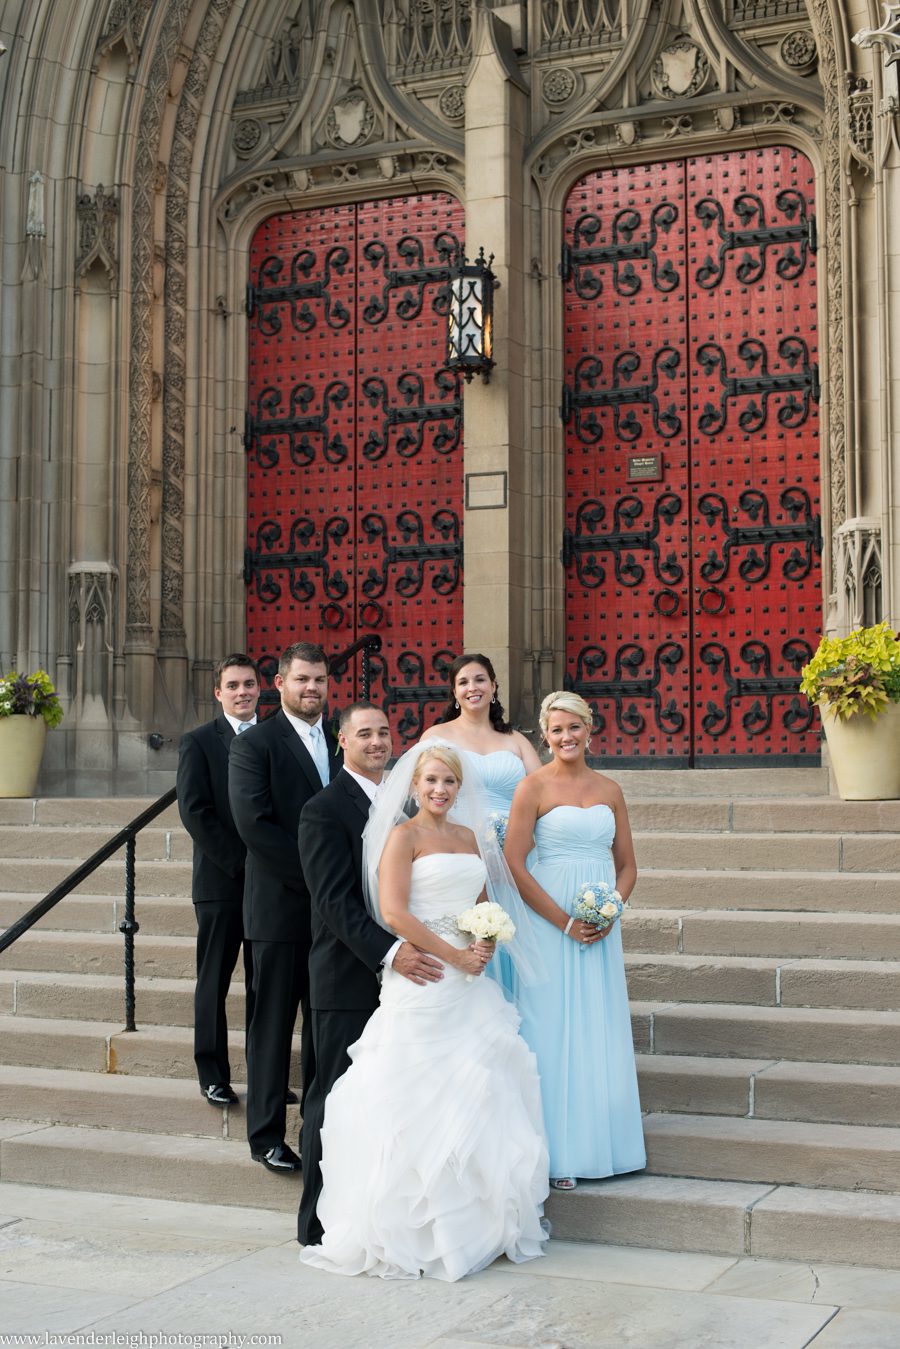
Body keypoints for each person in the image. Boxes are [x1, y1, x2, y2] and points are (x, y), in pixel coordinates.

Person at [299, 744, 549, 1282]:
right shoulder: (402, 837)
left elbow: (484, 900)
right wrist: (451, 953)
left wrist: (483, 942)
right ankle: (413, 1227)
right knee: (412, 1093)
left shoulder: (469, 838)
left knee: (478, 1089)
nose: (440, 789)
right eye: (431, 780)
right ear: (414, 787)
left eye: (449, 782)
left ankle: (475, 1226)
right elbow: (392, 910)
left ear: (460, 788)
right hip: (425, 976)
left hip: (469, 983)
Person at [296, 702, 445, 1247]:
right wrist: (391, 953)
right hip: (347, 977)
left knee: (384, 1101)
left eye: (384, 732)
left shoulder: (407, 805)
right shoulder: (323, 809)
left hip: (408, 985)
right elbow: (334, 902)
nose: (378, 741)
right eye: (365, 733)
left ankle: (373, 1215)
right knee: (332, 1099)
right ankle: (315, 1222)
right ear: (342, 741)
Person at [505, 690, 646, 1191]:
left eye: (574, 728)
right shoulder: (533, 788)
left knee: (596, 1023)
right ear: (544, 735)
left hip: (599, 924)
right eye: (556, 729)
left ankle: (605, 1145)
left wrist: (612, 909)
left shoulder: (610, 789)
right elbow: (514, 864)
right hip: (549, 921)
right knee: (553, 1026)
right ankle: (556, 1152)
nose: (566, 737)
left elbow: (628, 865)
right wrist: (563, 921)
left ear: (590, 729)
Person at [228, 640, 337, 1175]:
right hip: (279, 908)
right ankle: (265, 1133)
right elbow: (254, 826)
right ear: (280, 683)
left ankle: (319, 1129)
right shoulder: (257, 744)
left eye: (318, 679)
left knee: (324, 1024)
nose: (311, 688)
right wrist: (319, 878)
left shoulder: (342, 740)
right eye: (301, 680)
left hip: (334, 915)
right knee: (272, 1024)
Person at [421, 653, 541, 995]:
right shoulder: (436, 737)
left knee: (513, 936)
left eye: (479, 680)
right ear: (454, 693)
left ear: (493, 686)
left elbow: (542, 794)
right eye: (463, 682)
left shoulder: (516, 741)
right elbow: (423, 795)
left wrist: (524, 840)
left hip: (515, 861)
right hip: (462, 856)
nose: (472, 688)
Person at [176, 653, 259, 1107]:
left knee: (264, 985)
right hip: (221, 883)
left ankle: (263, 1075)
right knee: (215, 980)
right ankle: (212, 1073)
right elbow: (195, 812)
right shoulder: (199, 742)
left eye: (249, 684)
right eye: (233, 686)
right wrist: (241, 864)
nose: (242, 692)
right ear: (218, 692)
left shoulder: (271, 738)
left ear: (260, 688)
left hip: (270, 887)